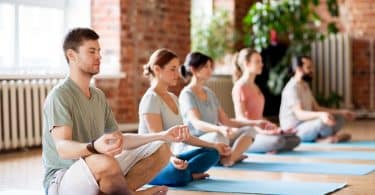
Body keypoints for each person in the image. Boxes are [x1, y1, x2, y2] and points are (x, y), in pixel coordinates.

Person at [42, 28, 188, 195]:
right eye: (91, 51)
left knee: (161, 149)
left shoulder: (98, 96)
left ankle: (124, 192)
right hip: (63, 179)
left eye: (99, 51)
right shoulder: (60, 95)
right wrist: (94, 146)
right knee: (105, 161)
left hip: (98, 166)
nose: (99, 56)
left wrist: (162, 135)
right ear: (71, 56)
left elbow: (119, 140)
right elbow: (63, 148)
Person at [138, 49, 231, 186]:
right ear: (157, 69)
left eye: (177, 69)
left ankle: (187, 173)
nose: (177, 74)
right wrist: (172, 158)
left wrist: (214, 145)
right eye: (172, 69)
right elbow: (158, 141)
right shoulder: (151, 99)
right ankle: (189, 175)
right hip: (150, 162)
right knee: (177, 174)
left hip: (169, 158)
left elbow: (185, 136)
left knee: (213, 153)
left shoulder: (173, 98)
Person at [178, 52, 276, 166]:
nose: (210, 70)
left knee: (249, 130)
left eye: (211, 66)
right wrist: (219, 129)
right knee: (219, 136)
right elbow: (197, 123)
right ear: (193, 69)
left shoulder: (210, 93)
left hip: (217, 137)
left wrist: (255, 123)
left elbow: (227, 121)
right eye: (206, 67)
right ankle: (230, 156)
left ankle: (229, 158)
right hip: (198, 141)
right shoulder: (187, 94)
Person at [232, 48, 300, 153]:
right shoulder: (239, 87)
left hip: (260, 131)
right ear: (246, 64)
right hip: (247, 134)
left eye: (261, 61)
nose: (262, 64)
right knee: (277, 141)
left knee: (295, 139)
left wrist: (273, 127)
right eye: (258, 61)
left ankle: (268, 144)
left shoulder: (256, 86)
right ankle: (258, 145)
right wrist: (262, 130)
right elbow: (240, 119)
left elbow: (259, 117)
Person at [279, 55, 355, 143]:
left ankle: (324, 137)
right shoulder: (291, 88)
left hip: (307, 124)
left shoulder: (305, 85)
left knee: (340, 118)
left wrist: (341, 112)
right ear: (298, 69)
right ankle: (324, 138)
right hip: (295, 131)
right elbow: (299, 114)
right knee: (321, 122)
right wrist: (321, 115)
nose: (312, 70)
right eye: (309, 67)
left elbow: (316, 108)